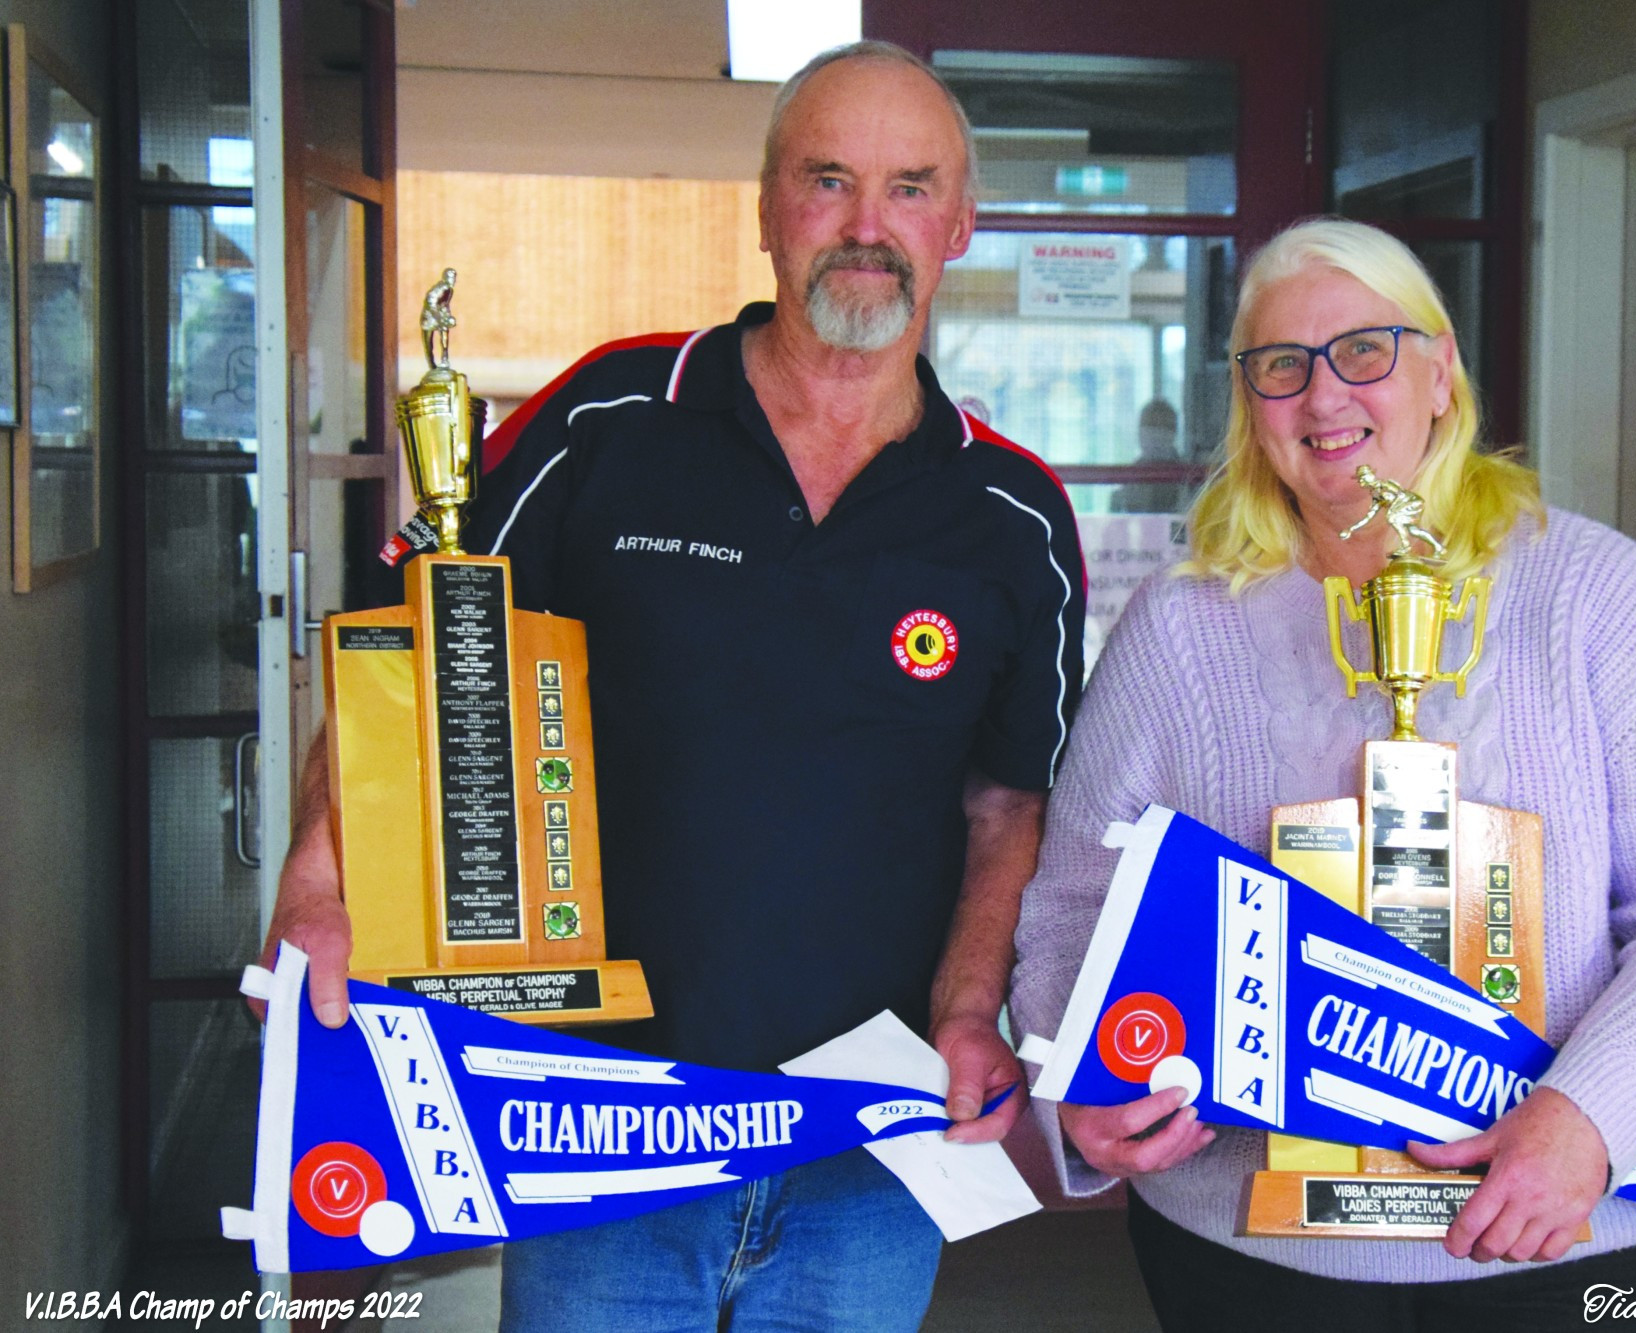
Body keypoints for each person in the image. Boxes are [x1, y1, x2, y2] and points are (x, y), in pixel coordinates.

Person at [259, 42, 1085, 1333]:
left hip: (867, 1136)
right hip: (598, 1123)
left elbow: (1006, 802)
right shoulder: (613, 417)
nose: (868, 228)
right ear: (766, 209)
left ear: (961, 221)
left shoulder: (1012, 516)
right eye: (828, 181)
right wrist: (321, 883)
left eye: (911, 188)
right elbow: (417, 639)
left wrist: (970, 1006)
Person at [1010, 218, 1636, 1332]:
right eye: (1280, 366)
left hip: (1572, 1242)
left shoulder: (1596, 598)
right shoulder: (1181, 626)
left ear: (1440, 371)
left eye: (1365, 351)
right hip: (1248, 1251)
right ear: (1249, 403)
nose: (1323, 396)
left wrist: (1586, 1115)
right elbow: (1073, 909)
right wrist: (1084, 1082)